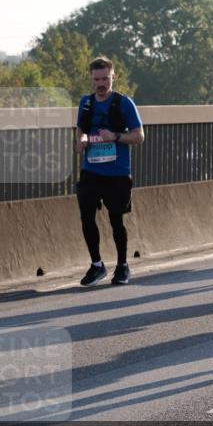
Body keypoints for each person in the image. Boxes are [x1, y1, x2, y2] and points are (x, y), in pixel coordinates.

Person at [75, 57, 145, 286]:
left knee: (116, 221)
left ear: (113, 77)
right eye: (97, 79)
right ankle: (97, 265)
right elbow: (81, 130)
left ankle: (122, 266)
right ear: (91, 79)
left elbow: (139, 136)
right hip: (91, 170)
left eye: (105, 78)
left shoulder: (124, 104)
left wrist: (114, 136)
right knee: (86, 217)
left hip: (117, 173)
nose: (101, 83)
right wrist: (81, 141)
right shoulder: (85, 103)